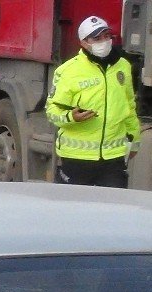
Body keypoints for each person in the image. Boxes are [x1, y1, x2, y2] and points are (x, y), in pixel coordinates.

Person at [45, 15, 141, 188]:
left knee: (112, 210)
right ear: (84, 42)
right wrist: (71, 117)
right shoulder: (68, 71)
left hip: (113, 159)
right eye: (96, 38)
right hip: (76, 159)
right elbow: (51, 111)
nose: (103, 41)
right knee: (74, 211)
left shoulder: (123, 66)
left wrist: (134, 143)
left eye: (106, 36)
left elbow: (129, 106)